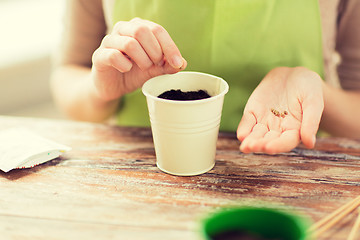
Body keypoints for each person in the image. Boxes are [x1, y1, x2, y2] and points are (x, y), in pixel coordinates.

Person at [51, 0, 360, 154]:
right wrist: (100, 89)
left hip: (294, 172)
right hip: (139, 169)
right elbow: (67, 74)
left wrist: (315, 91)